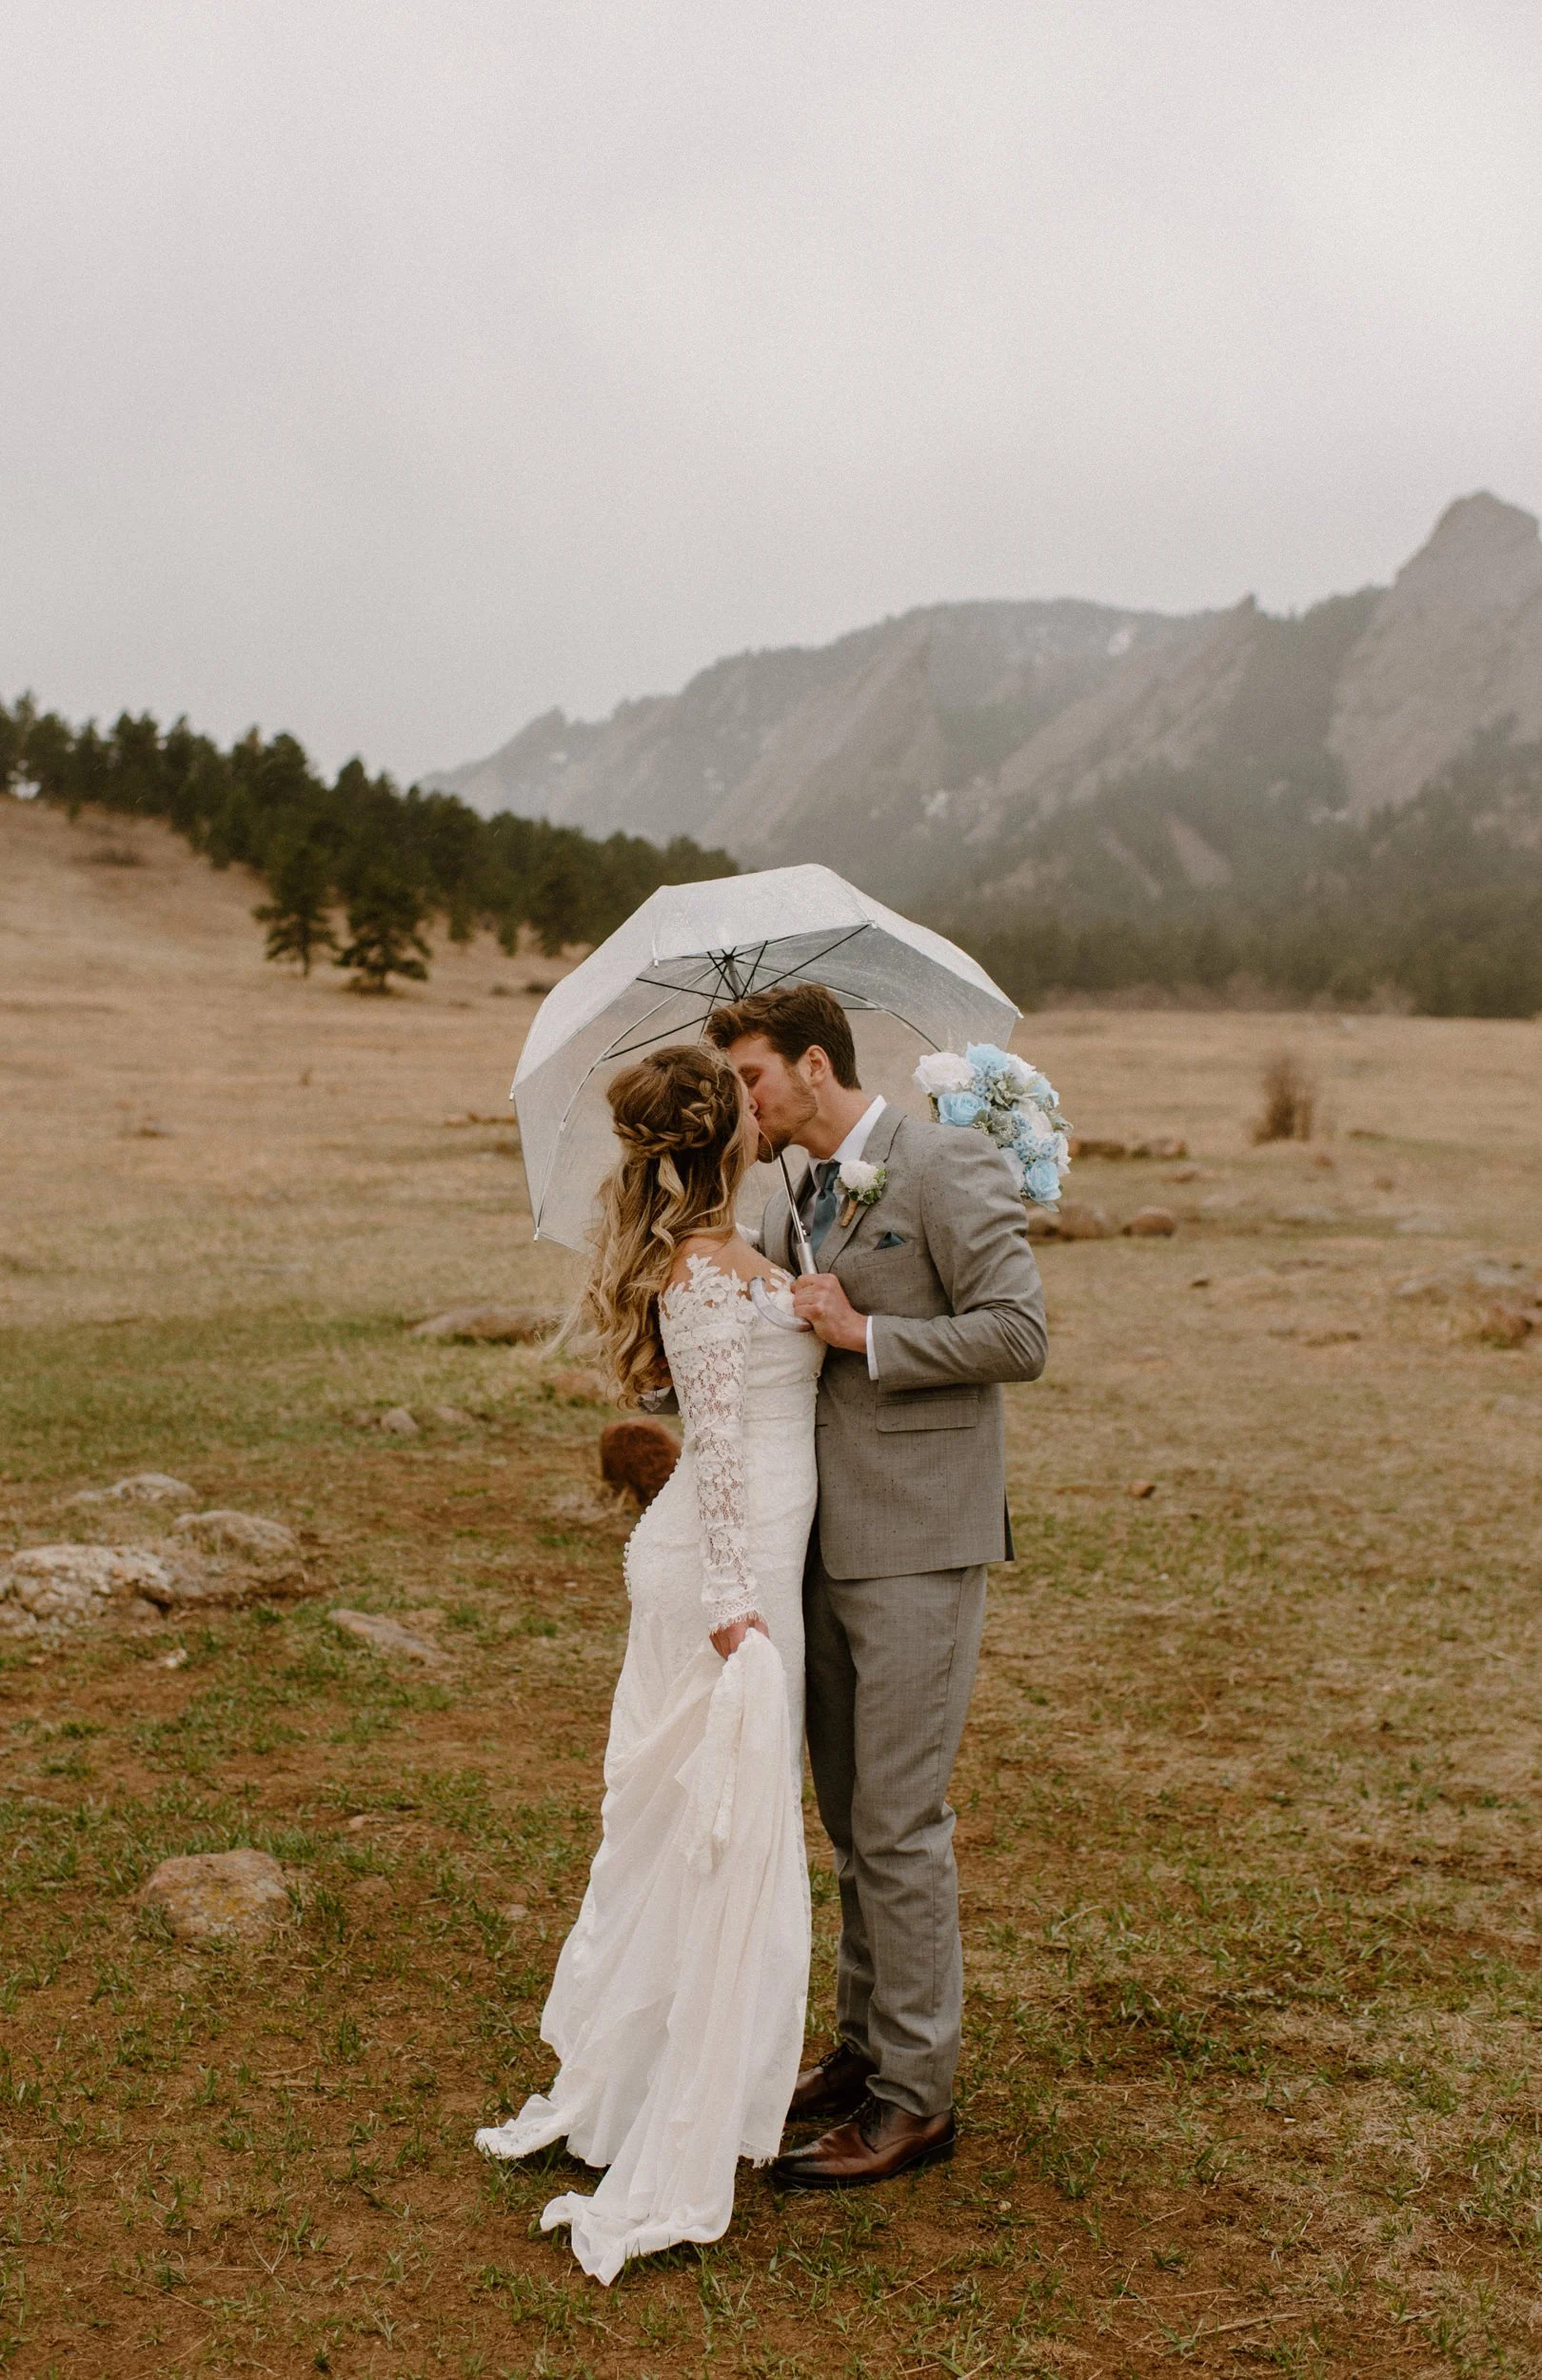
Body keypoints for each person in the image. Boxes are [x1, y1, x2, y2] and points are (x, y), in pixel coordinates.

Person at [474, 1041, 823, 2281]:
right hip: (723, 1574)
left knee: (693, 1831)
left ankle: (646, 2086)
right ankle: (653, 2108)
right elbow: (718, 1449)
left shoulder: (728, 1251)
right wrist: (739, 1615)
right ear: (725, 1136)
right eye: (746, 1100)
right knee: (707, 1833)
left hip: (738, 1558)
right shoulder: (707, 1273)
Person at [704, 982, 1046, 2189]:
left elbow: (1019, 1333)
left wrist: (867, 1339)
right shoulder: (796, 1190)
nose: (741, 1102)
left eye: (750, 1078)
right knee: (851, 1820)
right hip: (822, 1547)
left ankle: (917, 2098)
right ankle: (861, 2049)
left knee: (900, 1823)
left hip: (917, 1544)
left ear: (810, 1063)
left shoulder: (946, 1166)